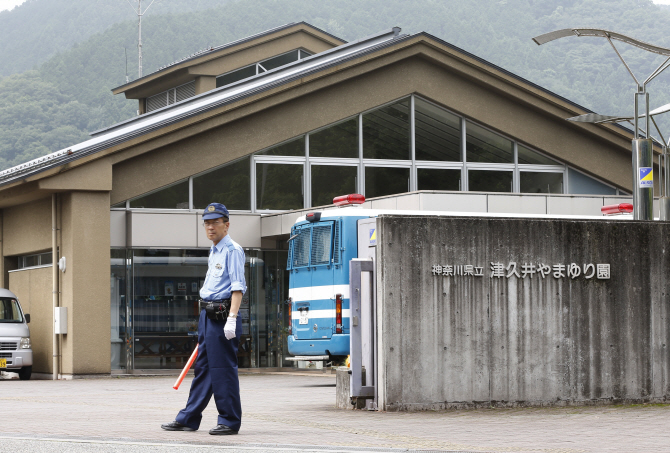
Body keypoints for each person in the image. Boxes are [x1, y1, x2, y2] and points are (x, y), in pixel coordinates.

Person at [161, 202, 246, 435]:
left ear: (226, 225)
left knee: (222, 368)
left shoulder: (232, 250)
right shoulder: (215, 249)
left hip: (223, 316)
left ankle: (229, 420)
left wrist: (232, 318)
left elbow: (238, 288)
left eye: (215, 222)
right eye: (207, 223)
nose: (210, 227)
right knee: (204, 368)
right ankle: (189, 417)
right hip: (208, 314)